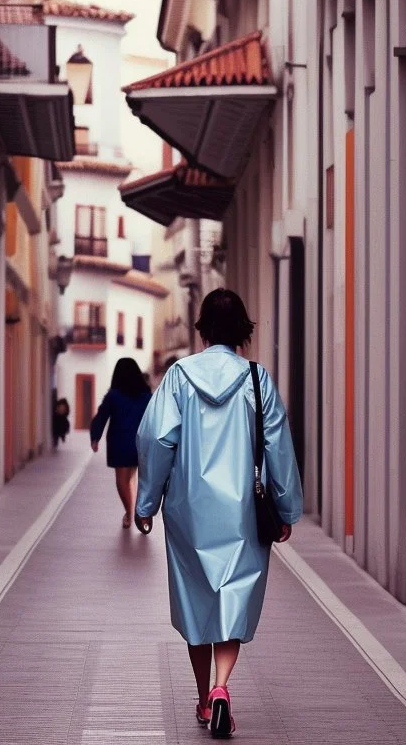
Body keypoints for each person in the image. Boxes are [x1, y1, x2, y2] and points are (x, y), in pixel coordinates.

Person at [134, 288, 303, 738]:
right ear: (243, 331)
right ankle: (224, 686)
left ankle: (204, 699)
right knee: (233, 594)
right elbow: (278, 447)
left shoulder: (178, 377)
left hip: (188, 509)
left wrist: (146, 503)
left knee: (195, 597)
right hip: (244, 511)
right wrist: (285, 508)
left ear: (202, 329)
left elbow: (157, 440)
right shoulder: (256, 380)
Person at [90, 358, 152, 528]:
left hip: (120, 442)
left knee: (122, 480)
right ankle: (140, 511)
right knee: (134, 477)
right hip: (141, 444)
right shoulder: (147, 396)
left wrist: (95, 437)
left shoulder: (114, 395)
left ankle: (129, 513)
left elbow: (102, 416)